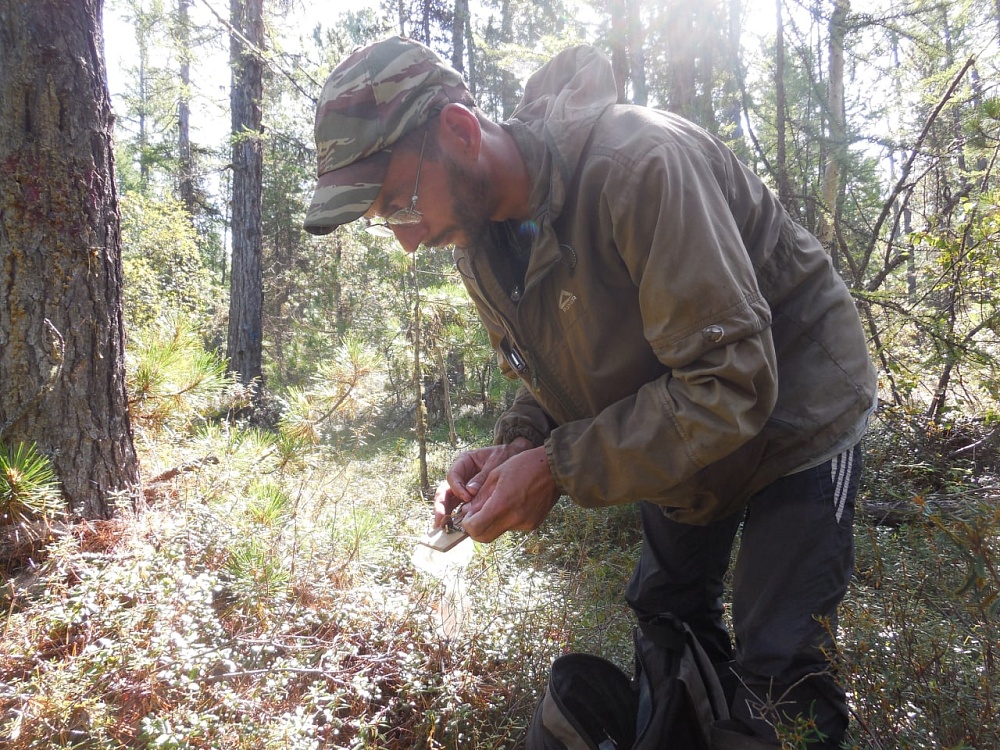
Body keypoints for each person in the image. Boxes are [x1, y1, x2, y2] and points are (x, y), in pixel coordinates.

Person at [304, 35, 878, 749]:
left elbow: (730, 382)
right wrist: (518, 441)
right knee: (666, 615)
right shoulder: (480, 242)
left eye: (401, 202)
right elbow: (549, 369)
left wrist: (557, 468)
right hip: (680, 412)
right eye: (383, 220)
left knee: (779, 667)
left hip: (795, 414)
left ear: (458, 130)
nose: (408, 239)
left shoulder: (639, 166)